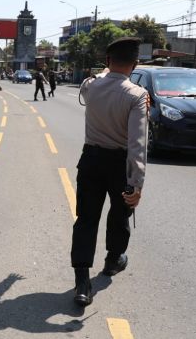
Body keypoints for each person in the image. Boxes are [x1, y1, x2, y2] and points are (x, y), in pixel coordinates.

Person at [71, 37, 148, 307]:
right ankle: (113, 261)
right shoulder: (137, 95)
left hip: (91, 160)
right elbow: (137, 143)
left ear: (107, 61)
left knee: (86, 219)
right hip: (119, 164)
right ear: (135, 64)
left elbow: (101, 76)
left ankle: (82, 282)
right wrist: (136, 184)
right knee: (120, 214)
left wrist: (107, 70)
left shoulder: (90, 86)